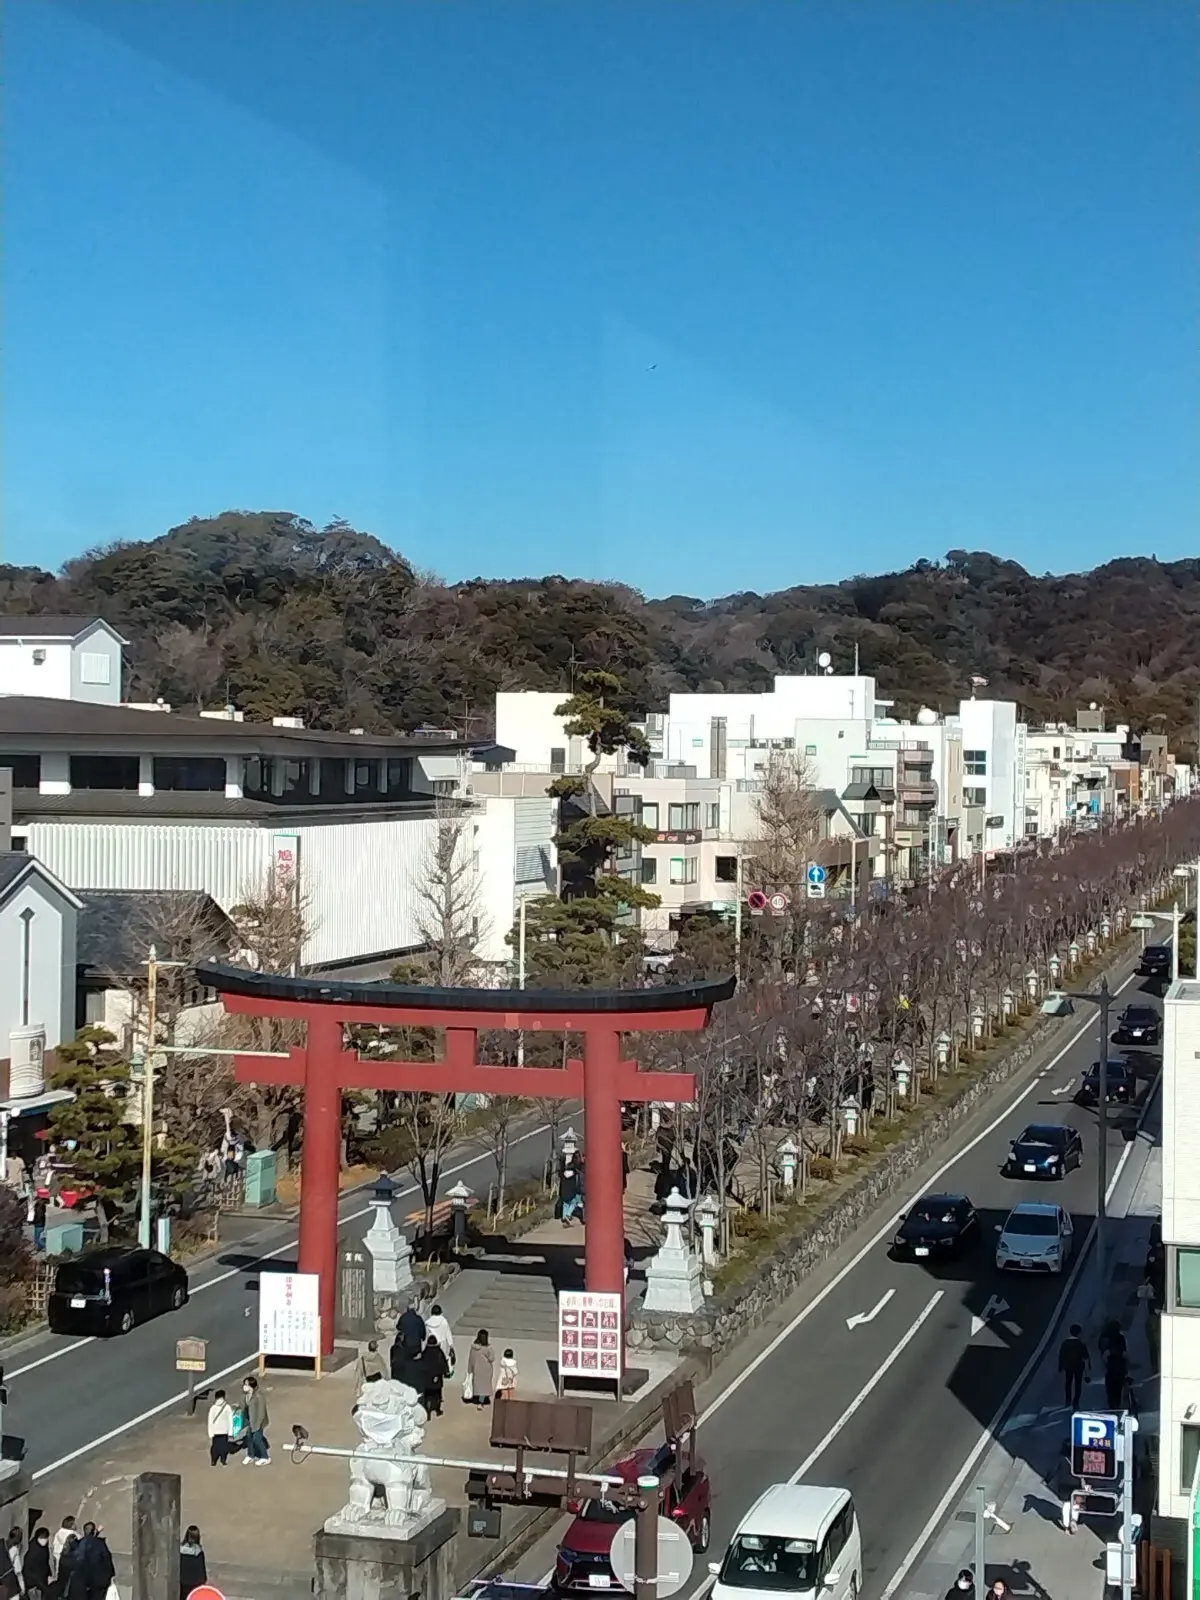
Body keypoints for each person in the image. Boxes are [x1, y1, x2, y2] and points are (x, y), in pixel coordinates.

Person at [75, 1524, 114, 1600]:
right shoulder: (100, 1544)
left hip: (84, 1581)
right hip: (98, 1581)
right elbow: (107, 1560)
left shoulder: (79, 1543)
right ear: (93, 1531)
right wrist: (111, 1574)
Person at [416, 1334, 450, 1417]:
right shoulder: (439, 1352)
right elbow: (443, 1364)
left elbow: (420, 1364)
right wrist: (446, 1373)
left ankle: (427, 1412)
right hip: (437, 1377)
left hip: (427, 1378)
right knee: (438, 1395)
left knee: (427, 1395)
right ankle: (438, 1410)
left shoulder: (425, 1353)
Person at [1057, 1323, 1090, 1408]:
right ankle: (1076, 1401)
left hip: (1068, 1366)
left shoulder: (1065, 1343)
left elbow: (1062, 1355)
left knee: (1068, 1382)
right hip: (1079, 1366)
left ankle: (1068, 1400)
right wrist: (1088, 1369)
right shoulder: (1080, 1343)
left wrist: (1060, 1366)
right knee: (1078, 1383)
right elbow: (1086, 1356)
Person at [242, 1375, 270, 1465]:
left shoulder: (258, 1396)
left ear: (251, 1386)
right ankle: (251, 1455)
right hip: (250, 1421)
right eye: (244, 1384)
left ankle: (265, 1457)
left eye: (247, 1384)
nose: (245, 1386)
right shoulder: (246, 1395)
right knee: (249, 1439)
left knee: (257, 1439)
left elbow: (261, 1412)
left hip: (258, 1422)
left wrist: (257, 1426)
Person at [466, 1329, 495, 1406]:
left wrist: (469, 1370)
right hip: (486, 1370)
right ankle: (481, 1402)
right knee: (484, 1386)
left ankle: (477, 1399)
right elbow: (492, 1358)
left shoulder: (473, 1348)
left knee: (478, 1385)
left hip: (476, 1369)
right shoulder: (487, 1348)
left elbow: (471, 1359)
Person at [207, 1387, 234, 1467]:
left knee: (215, 1447)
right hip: (224, 1431)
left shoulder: (213, 1408)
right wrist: (230, 1432)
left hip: (215, 1432)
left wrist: (210, 1433)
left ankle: (213, 1460)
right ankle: (223, 1460)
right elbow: (230, 1420)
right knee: (224, 1446)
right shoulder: (227, 1407)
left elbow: (210, 1421)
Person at [179, 1526, 206, 1600]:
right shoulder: (199, 1552)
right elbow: (201, 1572)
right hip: (195, 1584)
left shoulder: (181, 1550)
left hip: (182, 1583)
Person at [22, 1531, 50, 1600]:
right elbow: (27, 1569)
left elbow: (45, 1562)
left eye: (46, 1538)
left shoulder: (44, 1548)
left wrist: (49, 1574)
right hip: (33, 1582)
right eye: (42, 1538)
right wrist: (38, 1582)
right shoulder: (32, 1551)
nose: (45, 1540)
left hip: (41, 1579)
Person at [1104, 1342, 1132, 1411]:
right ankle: (1116, 1407)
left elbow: (1104, 1364)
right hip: (1119, 1375)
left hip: (1110, 1375)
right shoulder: (1124, 1354)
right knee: (1118, 1392)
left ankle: (1112, 1407)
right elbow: (1127, 1364)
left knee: (1110, 1392)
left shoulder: (1107, 1353)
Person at [425, 1303, 454, 1367]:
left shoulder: (427, 1323)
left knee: (432, 1361)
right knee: (442, 1359)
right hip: (442, 1344)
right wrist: (451, 1345)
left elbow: (425, 1336)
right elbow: (448, 1333)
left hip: (431, 1344)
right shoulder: (444, 1321)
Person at [2, 1528, 24, 1600]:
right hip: (9, 1583)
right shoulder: (14, 1550)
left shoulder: (2, 1544)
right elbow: (18, 1571)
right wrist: (22, 1586)